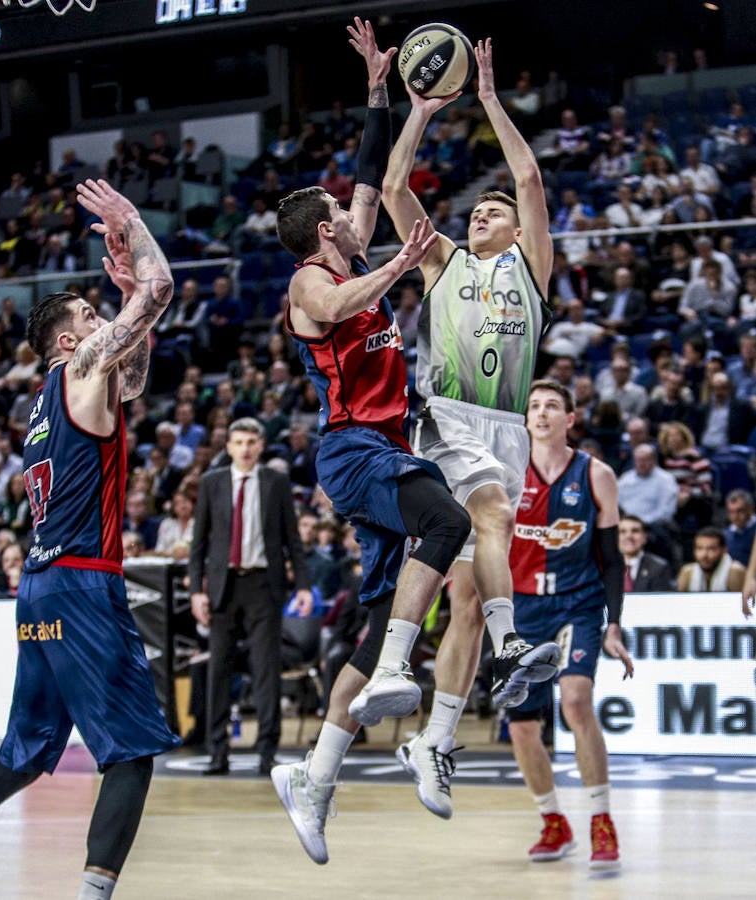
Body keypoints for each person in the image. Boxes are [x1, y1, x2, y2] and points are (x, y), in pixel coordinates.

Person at [270, 19, 471, 865]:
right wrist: (399, 265)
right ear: (326, 233)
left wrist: (386, 93)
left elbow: (363, 172)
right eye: (340, 217)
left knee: (373, 619)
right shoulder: (308, 281)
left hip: (380, 446)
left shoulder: (344, 247)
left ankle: (313, 775)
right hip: (353, 452)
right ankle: (398, 673)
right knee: (449, 524)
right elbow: (344, 304)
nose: (355, 213)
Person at [0, 178, 180, 900]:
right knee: (131, 753)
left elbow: (132, 378)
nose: (104, 319)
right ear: (70, 339)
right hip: (84, 586)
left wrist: (129, 309)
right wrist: (130, 222)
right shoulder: (82, 367)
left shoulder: (43, 400)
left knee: (27, 754)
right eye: (92, 314)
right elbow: (160, 287)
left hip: (38, 593)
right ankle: (93, 894)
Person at [381, 38, 562, 819]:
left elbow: (527, 176)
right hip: (447, 415)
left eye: (494, 212)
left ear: (518, 233)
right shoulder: (443, 262)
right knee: (488, 518)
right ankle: (511, 642)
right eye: (476, 211)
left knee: (461, 597)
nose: (483, 212)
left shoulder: (531, 268)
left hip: (506, 428)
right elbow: (392, 187)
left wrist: (489, 95)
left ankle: (436, 741)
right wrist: (418, 112)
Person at [506, 380, 633, 869]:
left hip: (578, 601)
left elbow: (612, 559)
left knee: (576, 700)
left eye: (552, 406)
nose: (541, 413)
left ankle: (602, 819)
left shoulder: (596, 474)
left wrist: (615, 624)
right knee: (522, 728)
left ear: (569, 419)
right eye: (534, 405)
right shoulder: (508, 472)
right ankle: (553, 821)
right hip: (521, 606)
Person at [189, 417, 312, 777]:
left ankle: (266, 752)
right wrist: (197, 590)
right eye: (238, 442)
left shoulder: (276, 482)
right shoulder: (212, 482)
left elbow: (293, 540)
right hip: (223, 585)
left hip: (263, 584)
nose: (245, 448)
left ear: (260, 446)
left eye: (251, 442)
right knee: (218, 671)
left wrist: (303, 585)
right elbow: (198, 545)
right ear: (228, 447)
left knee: (266, 670)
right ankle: (217, 752)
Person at [677, 526, 746, 592]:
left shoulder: (735, 571)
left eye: (711, 549)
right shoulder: (687, 573)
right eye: (699, 548)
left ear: (723, 551)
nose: (704, 555)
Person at [618, 514, 674, 591]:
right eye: (622, 531)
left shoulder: (659, 568)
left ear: (644, 537)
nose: (629, 536)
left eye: (635, 531)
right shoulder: (604, 567)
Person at [724, 489, 756, 567]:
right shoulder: (725, 534)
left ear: (750, 508)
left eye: (739, 511)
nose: (735, 516)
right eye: (731, 511)